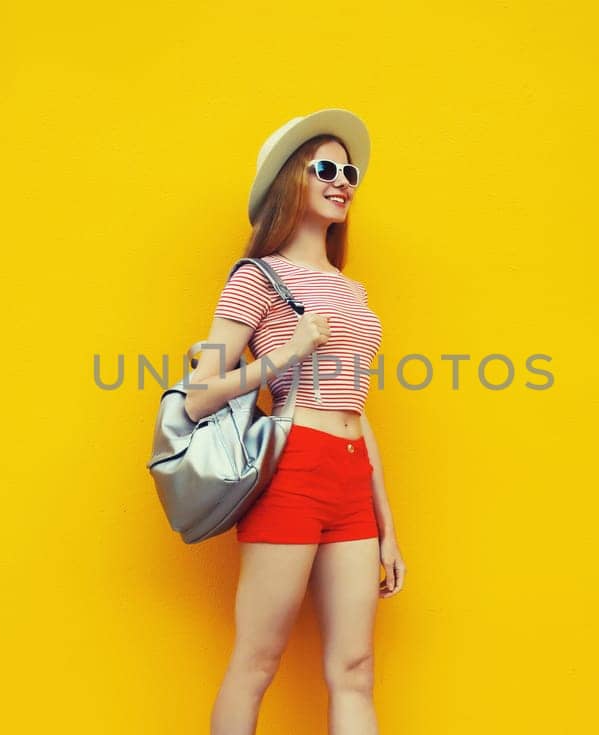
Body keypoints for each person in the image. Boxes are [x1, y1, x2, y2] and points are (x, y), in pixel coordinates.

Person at [182, 108, 406, 735]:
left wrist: (386, 521)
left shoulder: (350, 290)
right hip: (293, 467)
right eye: (327, 169)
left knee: (356, 667)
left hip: (350, 474)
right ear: (291, 182)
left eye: (350, 171)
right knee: (257, 662)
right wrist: (285, 356)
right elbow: (198, 397)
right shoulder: (258, 278)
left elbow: (356, 406)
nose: (344, 182)